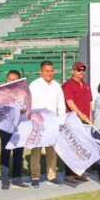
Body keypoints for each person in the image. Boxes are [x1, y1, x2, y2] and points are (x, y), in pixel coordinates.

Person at [28, 60, 66, 188]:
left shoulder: (57, 86)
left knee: (52, 151)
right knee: (36, 151)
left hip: (53, 123)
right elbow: (30, 104)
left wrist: (61, 121)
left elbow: (61, 105)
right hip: (38, 122)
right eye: (47, 71)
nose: (50, 73)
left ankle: (52, 175)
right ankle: (35, 176)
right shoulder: (34, 85)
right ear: (41, 72)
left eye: (51, 71)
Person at [62, 61, 94, 183]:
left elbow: (89, 102)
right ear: (73, 71)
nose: (81, 72)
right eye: (79, 70)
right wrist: (81, 115)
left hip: (85, 121)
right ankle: (69, 173)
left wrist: (90, 117)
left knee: (82, 147)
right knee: (72, 147)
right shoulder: (68, 85)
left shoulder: (86, 85)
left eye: (83, 70)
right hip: (73, 120)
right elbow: (70, 102)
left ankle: (79, 172)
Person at [0, 70, 29, 190]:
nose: (11, 82)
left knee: (18, 153)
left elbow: (27, 109)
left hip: (19, 127)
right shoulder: (0, 93)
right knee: (5, 153)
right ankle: (5, 180)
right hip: (5, 127)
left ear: (19, 81)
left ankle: (17, 179)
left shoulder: (23, 94)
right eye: (9, 79)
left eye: (14, 80)